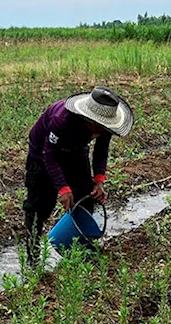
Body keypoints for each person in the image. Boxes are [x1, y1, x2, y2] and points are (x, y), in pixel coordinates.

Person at [23, 86, 134, 264]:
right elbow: (49, 155)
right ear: (87, 118)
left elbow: (101, 150)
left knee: (86, 198)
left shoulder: (105, 125)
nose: (99, 132)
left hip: (75, 152)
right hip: (43, 156)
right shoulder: (61, 120)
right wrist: (63, 188)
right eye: (97, 127)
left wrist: (99, 180)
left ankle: (80, 250)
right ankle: (32, 259)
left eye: (102, 128)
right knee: (38, 208)